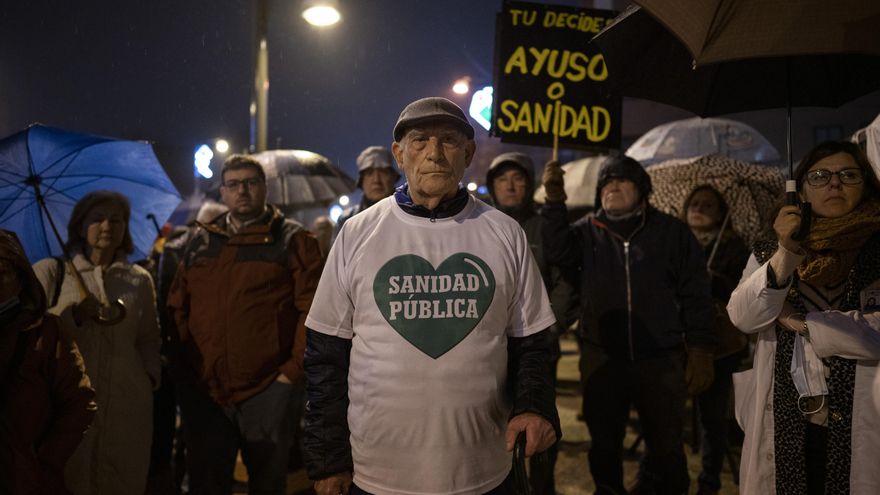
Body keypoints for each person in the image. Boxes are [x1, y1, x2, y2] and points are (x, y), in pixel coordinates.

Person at [304, 97, 560, 495]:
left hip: (483, 470)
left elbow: (532, 342)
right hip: (377, 472)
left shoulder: (505, 233)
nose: (434, 153)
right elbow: (325, 354)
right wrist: (328, 458)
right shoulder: (357, 234)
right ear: (399, 154)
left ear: (468, 153)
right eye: (420, 140)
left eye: (449, 141)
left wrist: (533, 406)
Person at [541, 156, 716, 495]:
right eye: (606, 182)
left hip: (661, 358)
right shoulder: (586, 231)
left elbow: (696, 293)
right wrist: (554, 200)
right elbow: (557, 250)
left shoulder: (672, 232)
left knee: (666, 446)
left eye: (621, 180)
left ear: (642, 190)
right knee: (604, 444)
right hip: (602, 357)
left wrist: (700, 348)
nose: (612, 187)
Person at [727, 140, 880, 494]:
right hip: (790, 423)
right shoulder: (770, 251)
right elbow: (744, 317)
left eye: (848, 175)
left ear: (866, 184)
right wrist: (786, 251)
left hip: (863, 425)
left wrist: (805, 324)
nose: (834, 183)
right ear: (801, 190)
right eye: (820, 176)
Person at [167, 154, 324, 495]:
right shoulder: (200, 241)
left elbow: (313, 311)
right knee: (206, 483)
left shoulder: (293, 239)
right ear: (222, 192)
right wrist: (184, 370)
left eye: (251, 183)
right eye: (234, 184)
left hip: (268, 389)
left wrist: (291, 374)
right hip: (206, 389)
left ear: (265, 188)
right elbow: (178, 306)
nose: (242, 191)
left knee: (268, 483)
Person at [31, 191, 162, 495]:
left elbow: (148, 338)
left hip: (127, 405)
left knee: (122, 479)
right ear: (80, 225)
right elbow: (31, 332)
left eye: (116, 220)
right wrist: (72, 315)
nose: (106, 226)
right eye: (97, 219)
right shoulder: (52, 272)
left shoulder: (138, 279)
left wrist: (148, 377)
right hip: (66, 405)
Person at [485, 151, 579, 494]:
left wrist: (549, 327)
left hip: (537, 349)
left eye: (518, 178)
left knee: (539, 424)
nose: (510, 186)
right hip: (492, 349)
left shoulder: (544, 225)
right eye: (502, 179)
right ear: (492, 186)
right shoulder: (480, 227)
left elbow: (565, 278)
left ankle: (543, 486)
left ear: (529, 184)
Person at [0, 229, 96, 495]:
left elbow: (79, 402)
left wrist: (43, 460)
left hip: (26, 479)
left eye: (2, 272)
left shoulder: (46, 332)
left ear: (21, 280)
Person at [680, 185, 750, 495]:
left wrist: (713, 280)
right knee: (666, 412)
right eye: (694, 203)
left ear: (721, 214)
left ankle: (709, 481)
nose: (699, 209)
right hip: (679, 339)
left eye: (707, 205)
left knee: (712, 416)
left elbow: (744, 295)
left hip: (720, 345)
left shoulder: (734, 248)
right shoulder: (674, 242)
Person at [335, 145, 400, 233]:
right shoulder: (346, 220)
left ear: (393, 177)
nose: (376, 180)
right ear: (361, 181)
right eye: (369, 173)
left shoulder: (409, 214)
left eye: (383, 172)